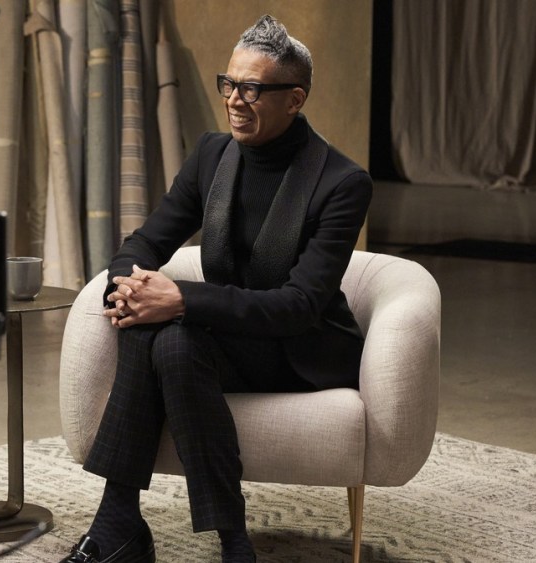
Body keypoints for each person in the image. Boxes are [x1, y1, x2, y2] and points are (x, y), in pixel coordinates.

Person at [60, 15, 373, 563]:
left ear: (295, 99)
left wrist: (182, 298)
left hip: (301, 351)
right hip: (230, 338)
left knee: (171, 332)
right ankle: (225, 542)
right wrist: (129, 287)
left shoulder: (341, 183)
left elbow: (299, 306)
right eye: (228, 84)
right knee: (165, 338)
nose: (233, 100)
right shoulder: (211, 155)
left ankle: (121, 527)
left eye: (251, 89)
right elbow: (144, 242)